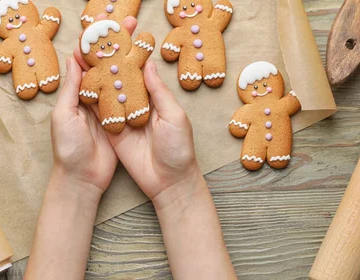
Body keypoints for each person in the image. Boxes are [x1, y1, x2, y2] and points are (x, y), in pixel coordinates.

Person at [24, 17, 237, 279]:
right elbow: (90, 90)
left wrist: (74, 183)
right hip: (111, 115)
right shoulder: (98, 72)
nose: (106, 48)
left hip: (137, 108)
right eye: (99, 46)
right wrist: (178, 186)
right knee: (115, 117)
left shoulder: (127, 58)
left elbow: (141, 49)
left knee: (137, 111)